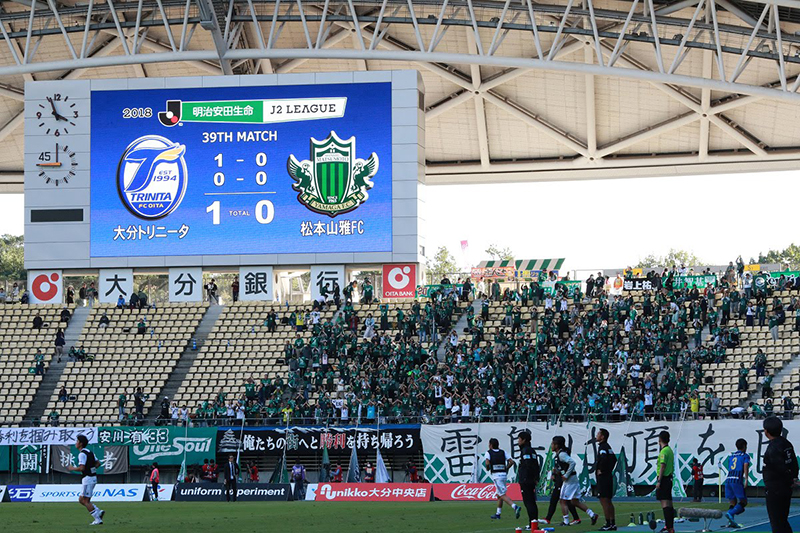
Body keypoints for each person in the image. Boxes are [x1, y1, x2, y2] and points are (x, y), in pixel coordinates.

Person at [762, 416, 799, 533]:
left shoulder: (773, 447)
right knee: (782, 520)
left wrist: (789, 479)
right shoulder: (786, 443)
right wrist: (794, 478)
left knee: (777, 521)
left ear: (766, 431)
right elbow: (794, 463)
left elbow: (780, 467)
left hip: (775, 488)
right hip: (785, 488)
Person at [552, 436, 598, 526]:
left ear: (557, 445)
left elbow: (572, 462)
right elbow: (563, 466)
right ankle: (592, 514)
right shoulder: (559, 454)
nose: (551, 446)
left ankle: (566, 521)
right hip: (572, 480)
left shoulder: (561, 454)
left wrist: (566, 475)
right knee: (574, 501)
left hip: (570, 480)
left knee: (562, 500)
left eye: (552, 444)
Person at [67, 434, 105, 526]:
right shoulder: (89, 452)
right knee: (81, 499)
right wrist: (91, 468)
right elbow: (98, 463)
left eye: (77, 441)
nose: (76, 443)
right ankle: (98, 511)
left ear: (80, 443)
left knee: (85, 501)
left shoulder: (82, 454)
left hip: (88, 479)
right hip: (91, 477)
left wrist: (72, 468)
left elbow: (82, 468)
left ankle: (97, 519)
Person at [484, 437, 522, 520]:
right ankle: (498, 514)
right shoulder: (503, 452)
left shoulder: (488, 452)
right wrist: (506, 468)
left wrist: (488, 468)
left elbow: (487, 463)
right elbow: (511, 462)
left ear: (490, 445)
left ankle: (515, 507)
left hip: (496, 476)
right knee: (499, 495)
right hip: (504, 475)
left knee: (502, 494)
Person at [724, 438, 750, 528]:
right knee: (743, 501)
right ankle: (730, 513)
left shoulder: (732, 456)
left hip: (728, 479)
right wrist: (746, 479)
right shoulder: (745, 456)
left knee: (732, 502)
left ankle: (731, 521)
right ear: (744, 446)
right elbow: (745, 466)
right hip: (737, 479)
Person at [595, 428, 618, 531]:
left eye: (598, 434)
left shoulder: (602, 447)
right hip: (608, 476)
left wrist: (602, 470)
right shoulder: (608, 447)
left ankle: (608, 523)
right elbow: (613, 459)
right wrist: (609, 470)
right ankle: (612, 523)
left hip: (603, 477)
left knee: (604, 500)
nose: (597, 435)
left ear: (602, 436)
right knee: (608, 500)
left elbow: (604, 459)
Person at [516, 431, 540, 527]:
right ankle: (534, 523)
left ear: (524, 440)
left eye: (519, 439)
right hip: (531, 480)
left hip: (526, 480)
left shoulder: (525, 451)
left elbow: (528, 464)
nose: (518, 441)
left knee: (528, 502)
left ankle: (532, 524)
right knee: (531, 502)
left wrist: (527, 477)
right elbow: (536, 465)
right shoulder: (532, 451)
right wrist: (536, 477)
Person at [656, 431, 675, 533]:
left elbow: (662, 466)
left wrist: (659, 480)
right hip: (669, 478)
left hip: (664, 479)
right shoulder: (670, 450)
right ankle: (670, 526)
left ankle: (668, 526)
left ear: (660, 439)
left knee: (665, 503)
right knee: (669, 502)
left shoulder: (663, 452)